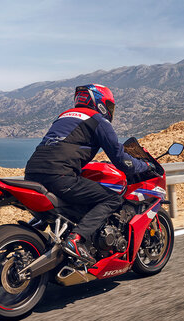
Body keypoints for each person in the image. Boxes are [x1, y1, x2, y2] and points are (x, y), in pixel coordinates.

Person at [25, 84, 151, 264]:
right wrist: (143, 165)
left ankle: (45, 232)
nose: (109, 111)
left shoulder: (63, 117)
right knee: (112, 199)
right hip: (59, 177)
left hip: (32, 174)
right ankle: (76, 240)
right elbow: (121, 159)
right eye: (109, 106)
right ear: (100, 103)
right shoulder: (97, 119)